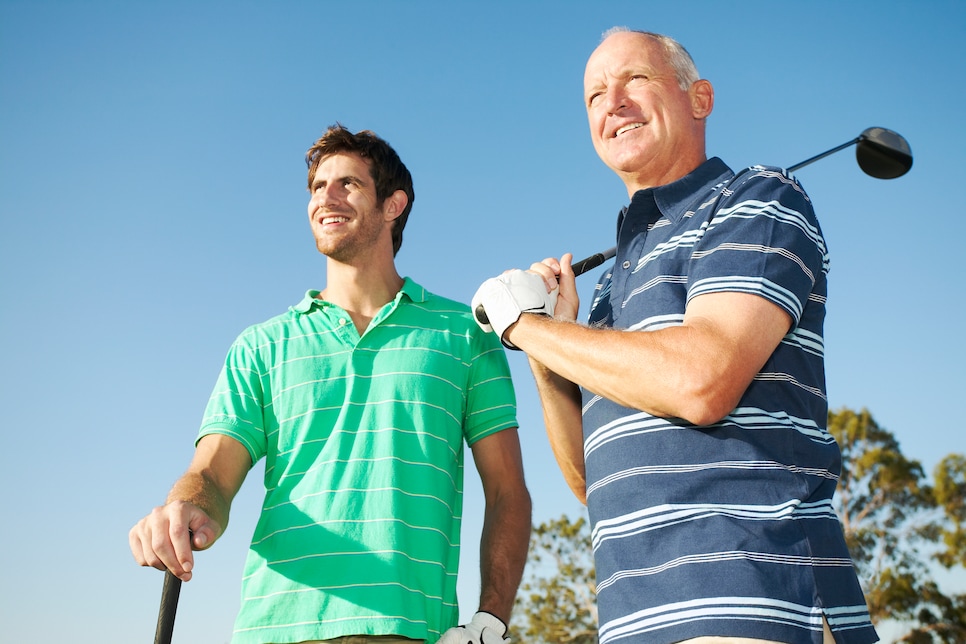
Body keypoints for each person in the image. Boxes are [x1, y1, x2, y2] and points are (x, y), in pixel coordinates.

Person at [471, 28, 878, 644]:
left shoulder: (757, 200)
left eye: (635, 79)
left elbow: (701, 380)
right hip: (634, 620)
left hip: (752, 597)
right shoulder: (609, 291)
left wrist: (524, 325)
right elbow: (590, 480)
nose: (614, 102)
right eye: (594, 96)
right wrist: (547, 348)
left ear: (700, 98)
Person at [130, 124, 531, 644]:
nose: (326, 197)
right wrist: (186, 506)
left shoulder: (464, 335)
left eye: (348, 184)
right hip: (275, 628)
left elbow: (507, 492)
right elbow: (211, 474)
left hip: (411, 630)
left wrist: (491, 617)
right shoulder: (261, 346)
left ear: (393, 205)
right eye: (317, 187)